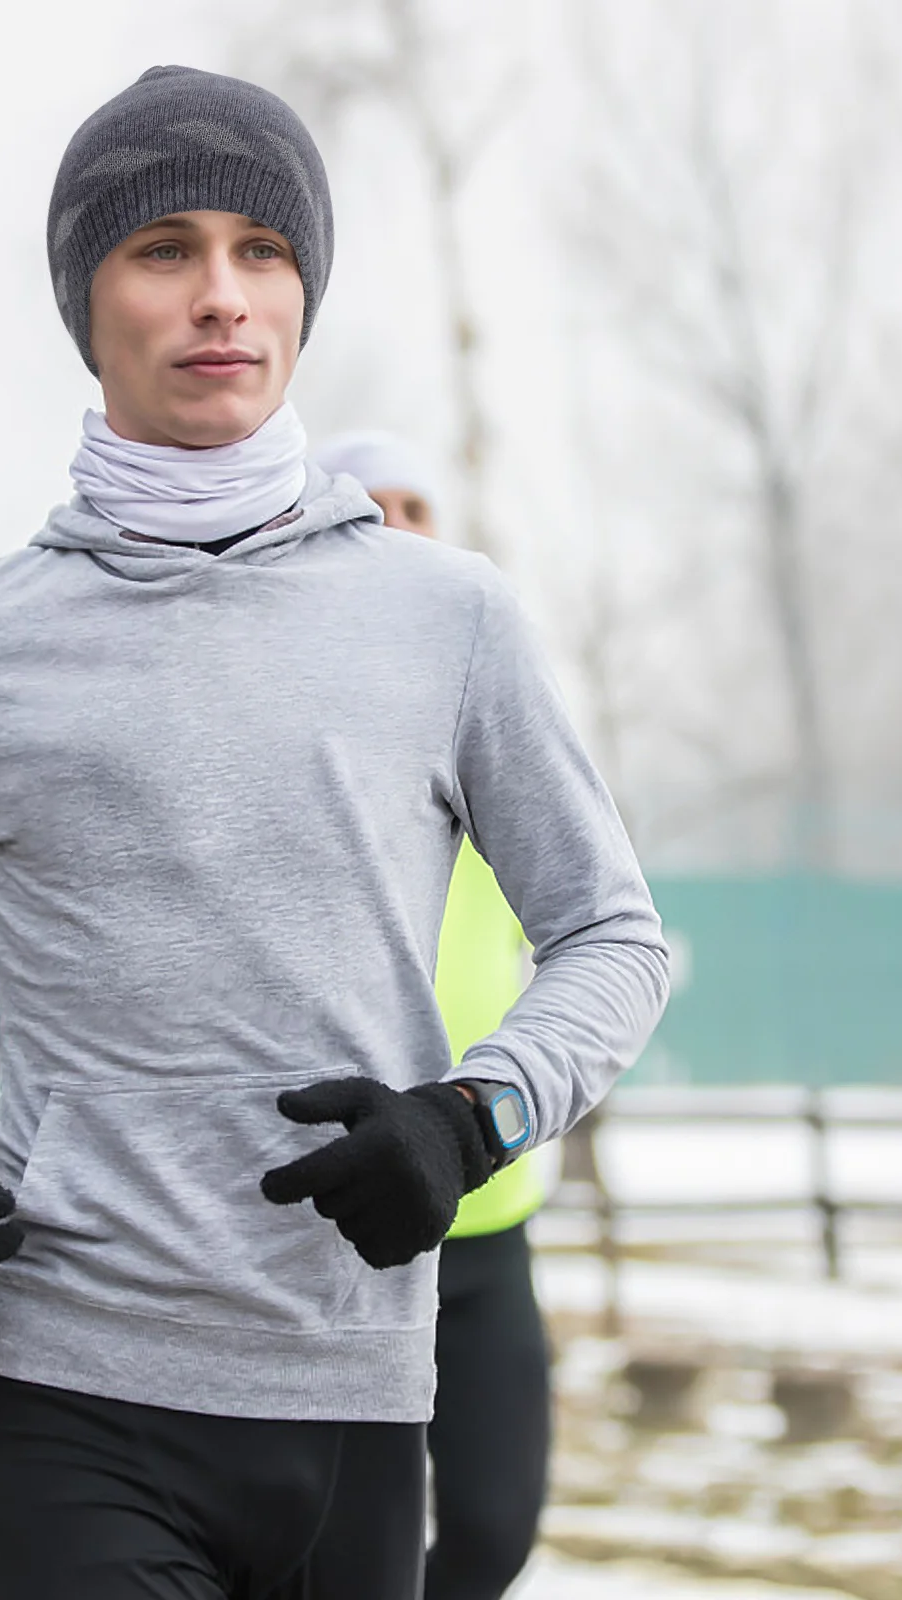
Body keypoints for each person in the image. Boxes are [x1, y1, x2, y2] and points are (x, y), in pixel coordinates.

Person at [0, 64, 668, 1600]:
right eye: (163, 249)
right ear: (88, 301)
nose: (221, 297)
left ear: (304, 292)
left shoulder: (446, 619)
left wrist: (471, 1117)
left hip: (350, 1389)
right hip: (63, 1388)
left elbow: (610, 936)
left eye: (262, 250)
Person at [316, 431, 551, 1599]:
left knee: (493, 1530)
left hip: (489, 1214)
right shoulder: (313, 752)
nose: (399, 524)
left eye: (418, 504)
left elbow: (591, 941)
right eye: (371, 504)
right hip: (344, 1230)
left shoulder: (498, 737)